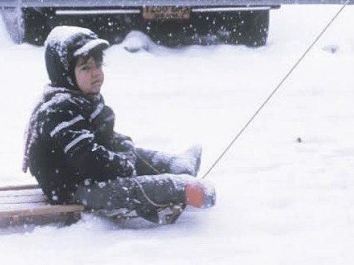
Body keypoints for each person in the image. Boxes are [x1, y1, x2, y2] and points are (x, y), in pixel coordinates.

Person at [23, 25, 215, 223]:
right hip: (72, 187)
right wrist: (121, 164)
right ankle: (182, 189)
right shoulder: (59, 111)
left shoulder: (80, 98)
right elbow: (88, 160)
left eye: (98, 65)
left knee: (136, 154)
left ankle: (177, 165)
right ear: (65, 74)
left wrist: (121, 144)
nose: (96, 73)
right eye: (85, 68)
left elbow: (99, 135)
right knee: (128, 189)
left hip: (86, 175)